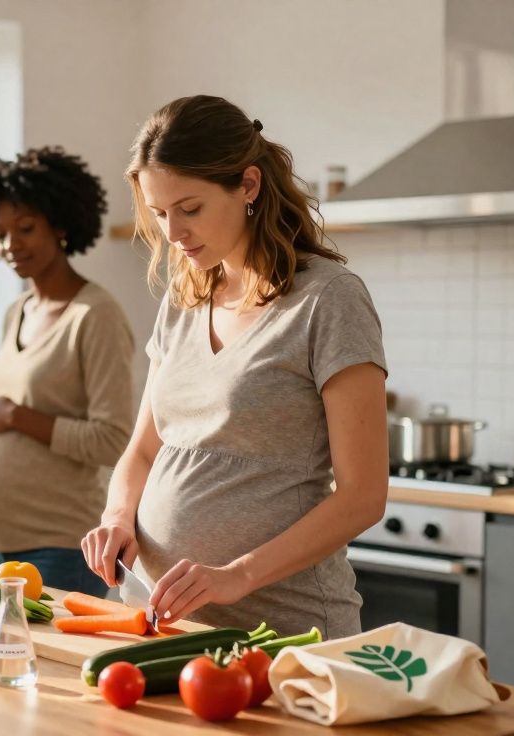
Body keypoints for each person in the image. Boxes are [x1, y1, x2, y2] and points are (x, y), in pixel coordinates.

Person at [82, 96, 389, 639]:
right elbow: (145, 449)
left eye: (190, 208)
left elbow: (363, 496)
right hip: (166, 625)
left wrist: (234, 576)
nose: (173, 232)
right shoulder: (183, 299)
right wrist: (116, 517)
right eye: (159, 213)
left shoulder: (328, 300)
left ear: (248, 186)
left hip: (286, 630)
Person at [0, 147, 134, 596]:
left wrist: (15, 417)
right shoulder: (18, 310)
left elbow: (113, 440)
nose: (10, 244)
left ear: (60, 225)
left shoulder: (96, 316)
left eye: (26, 228)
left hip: (59, 550)